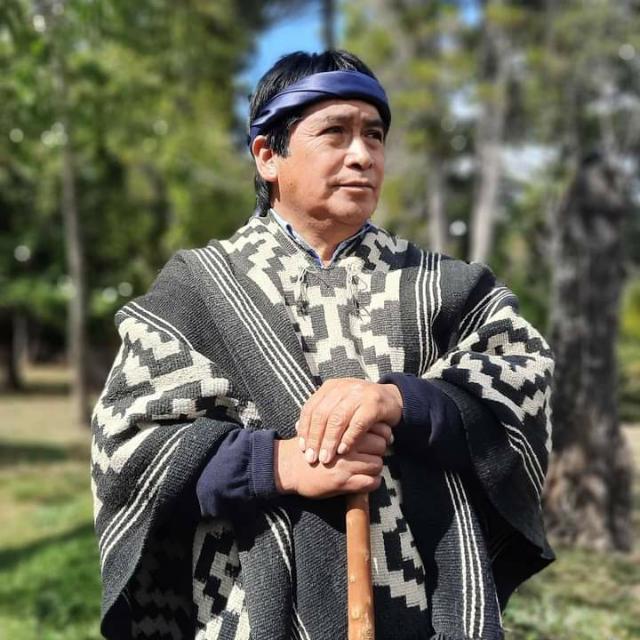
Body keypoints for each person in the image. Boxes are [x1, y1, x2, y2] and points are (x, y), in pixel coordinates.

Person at [91, 50, 555, 640]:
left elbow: (522, 380)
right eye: (335, 133)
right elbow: (125, 450)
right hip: (249, 611)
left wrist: (403, 402)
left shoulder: (445, 286)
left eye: (374, 135)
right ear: (268, 156)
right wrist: (276, 465)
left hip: (429, 614)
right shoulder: (197, 291)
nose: (362, 155)